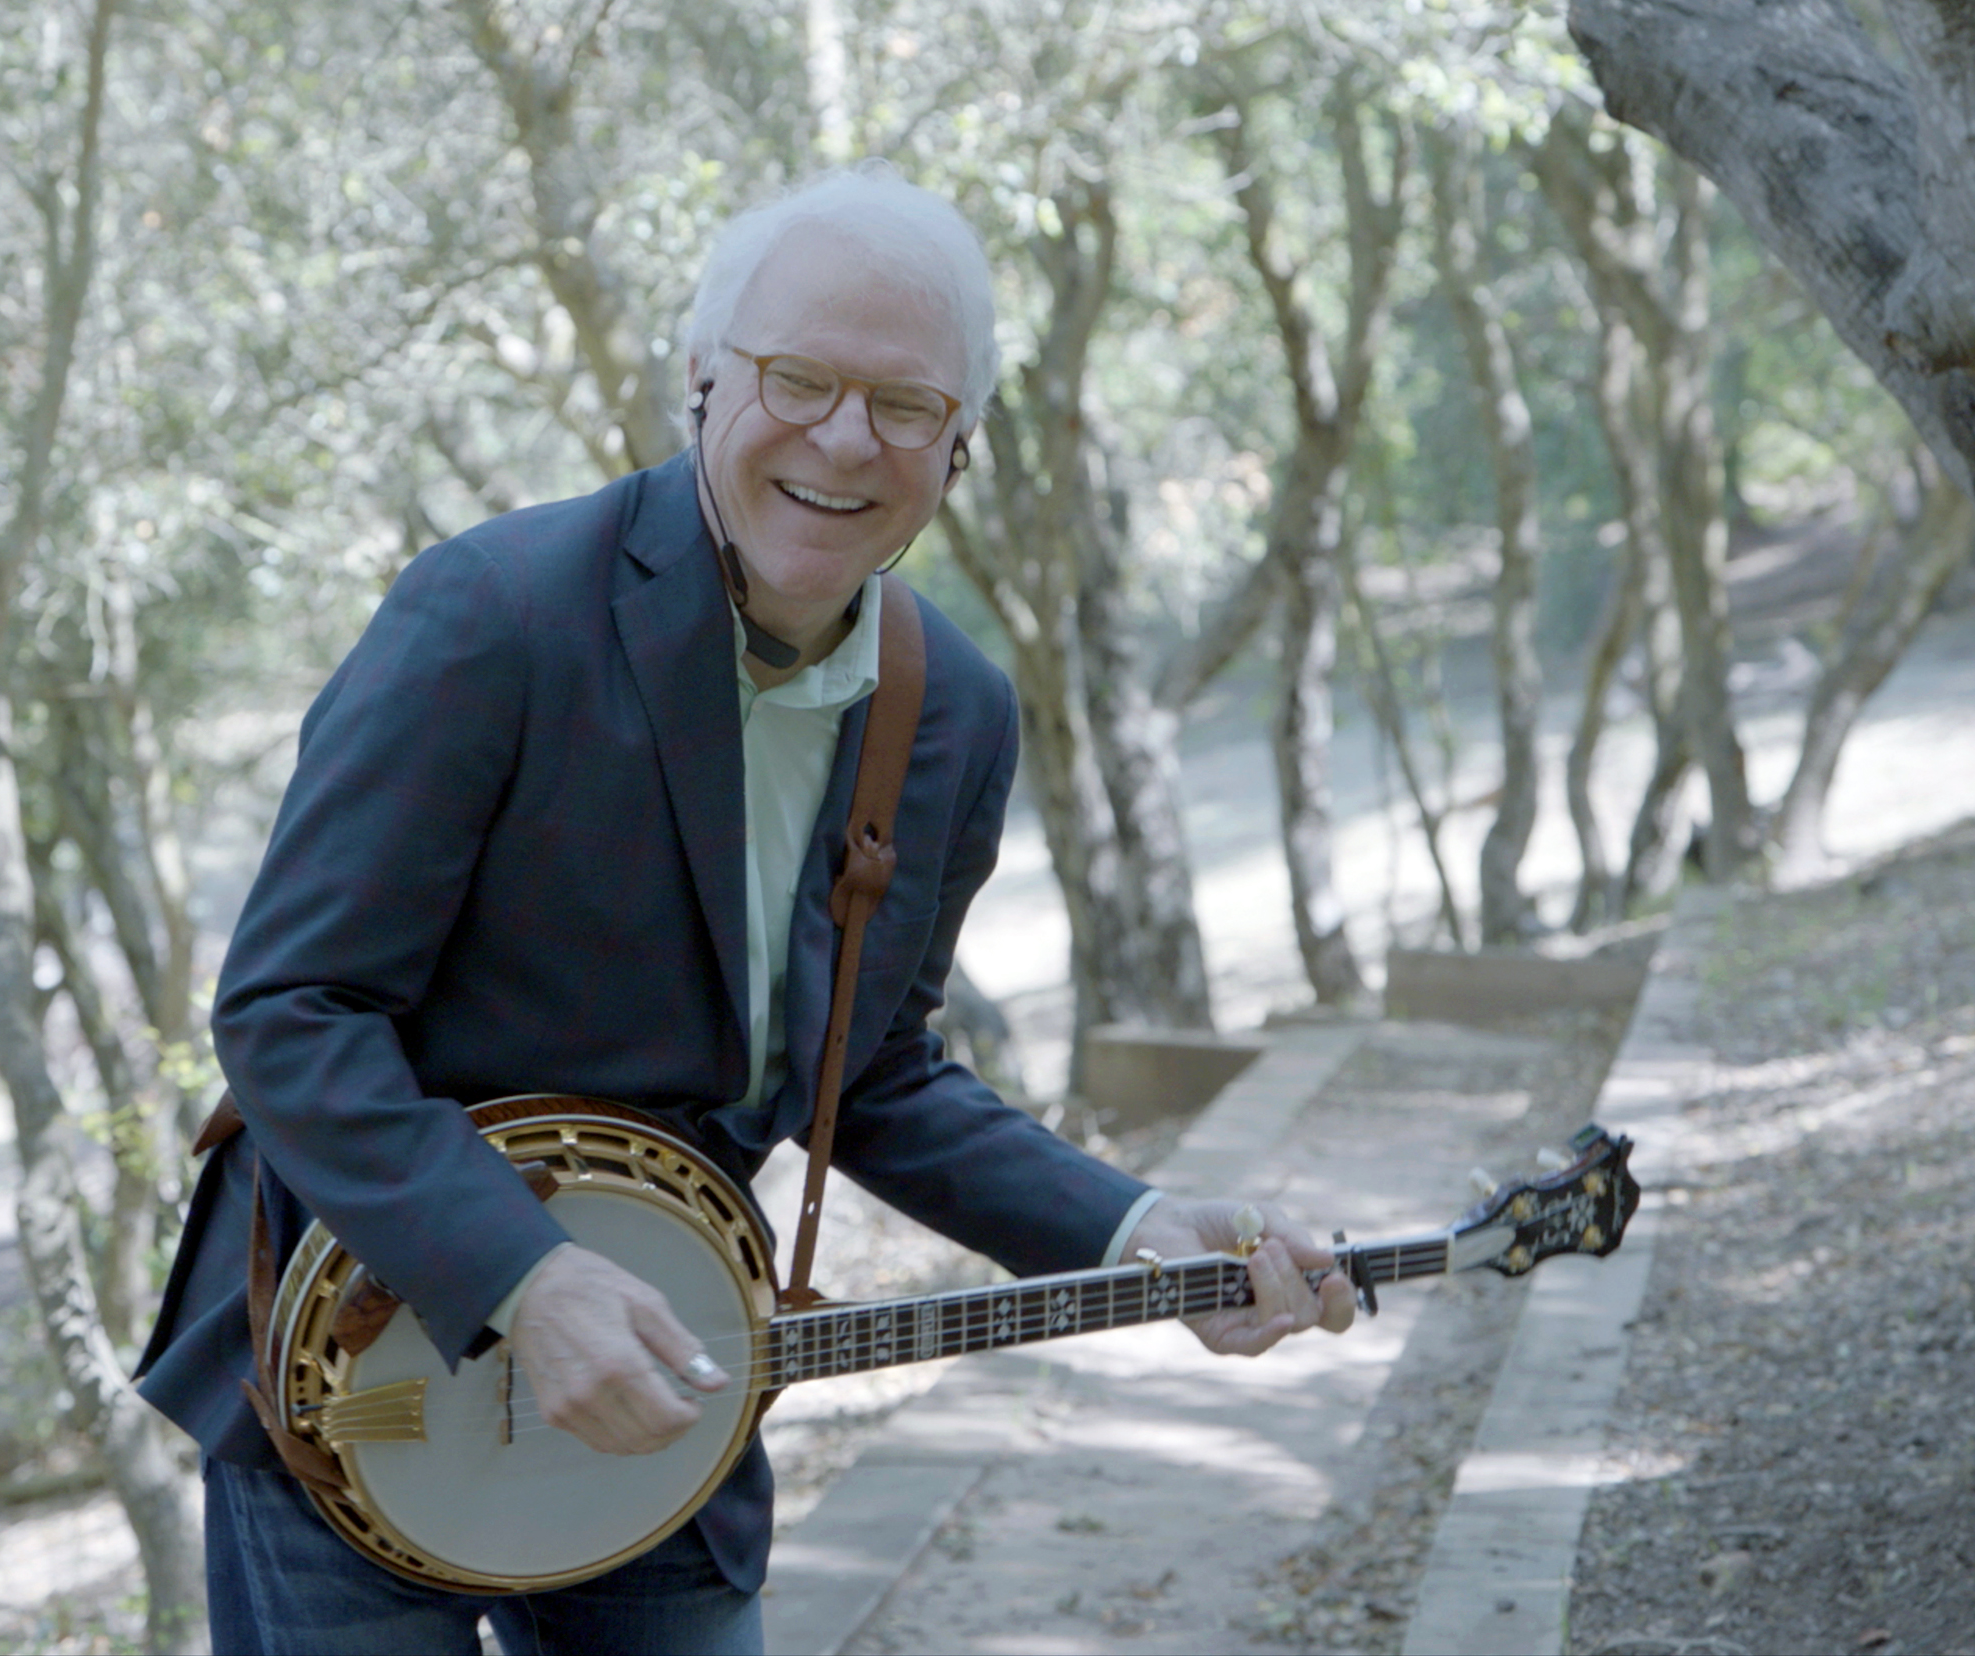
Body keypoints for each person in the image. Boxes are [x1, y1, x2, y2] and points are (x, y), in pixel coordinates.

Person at [134, 162, 1358, 1656]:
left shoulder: (953, 710)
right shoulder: (493, 615)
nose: (845, 438)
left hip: (674, 1370)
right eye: (798, 379)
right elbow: (292, 1008)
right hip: (354, 1365)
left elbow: (877, 1071)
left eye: (904, 405)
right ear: (705, 377)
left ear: (958, 446)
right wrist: (521, 1276)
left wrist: (1142, 1231)